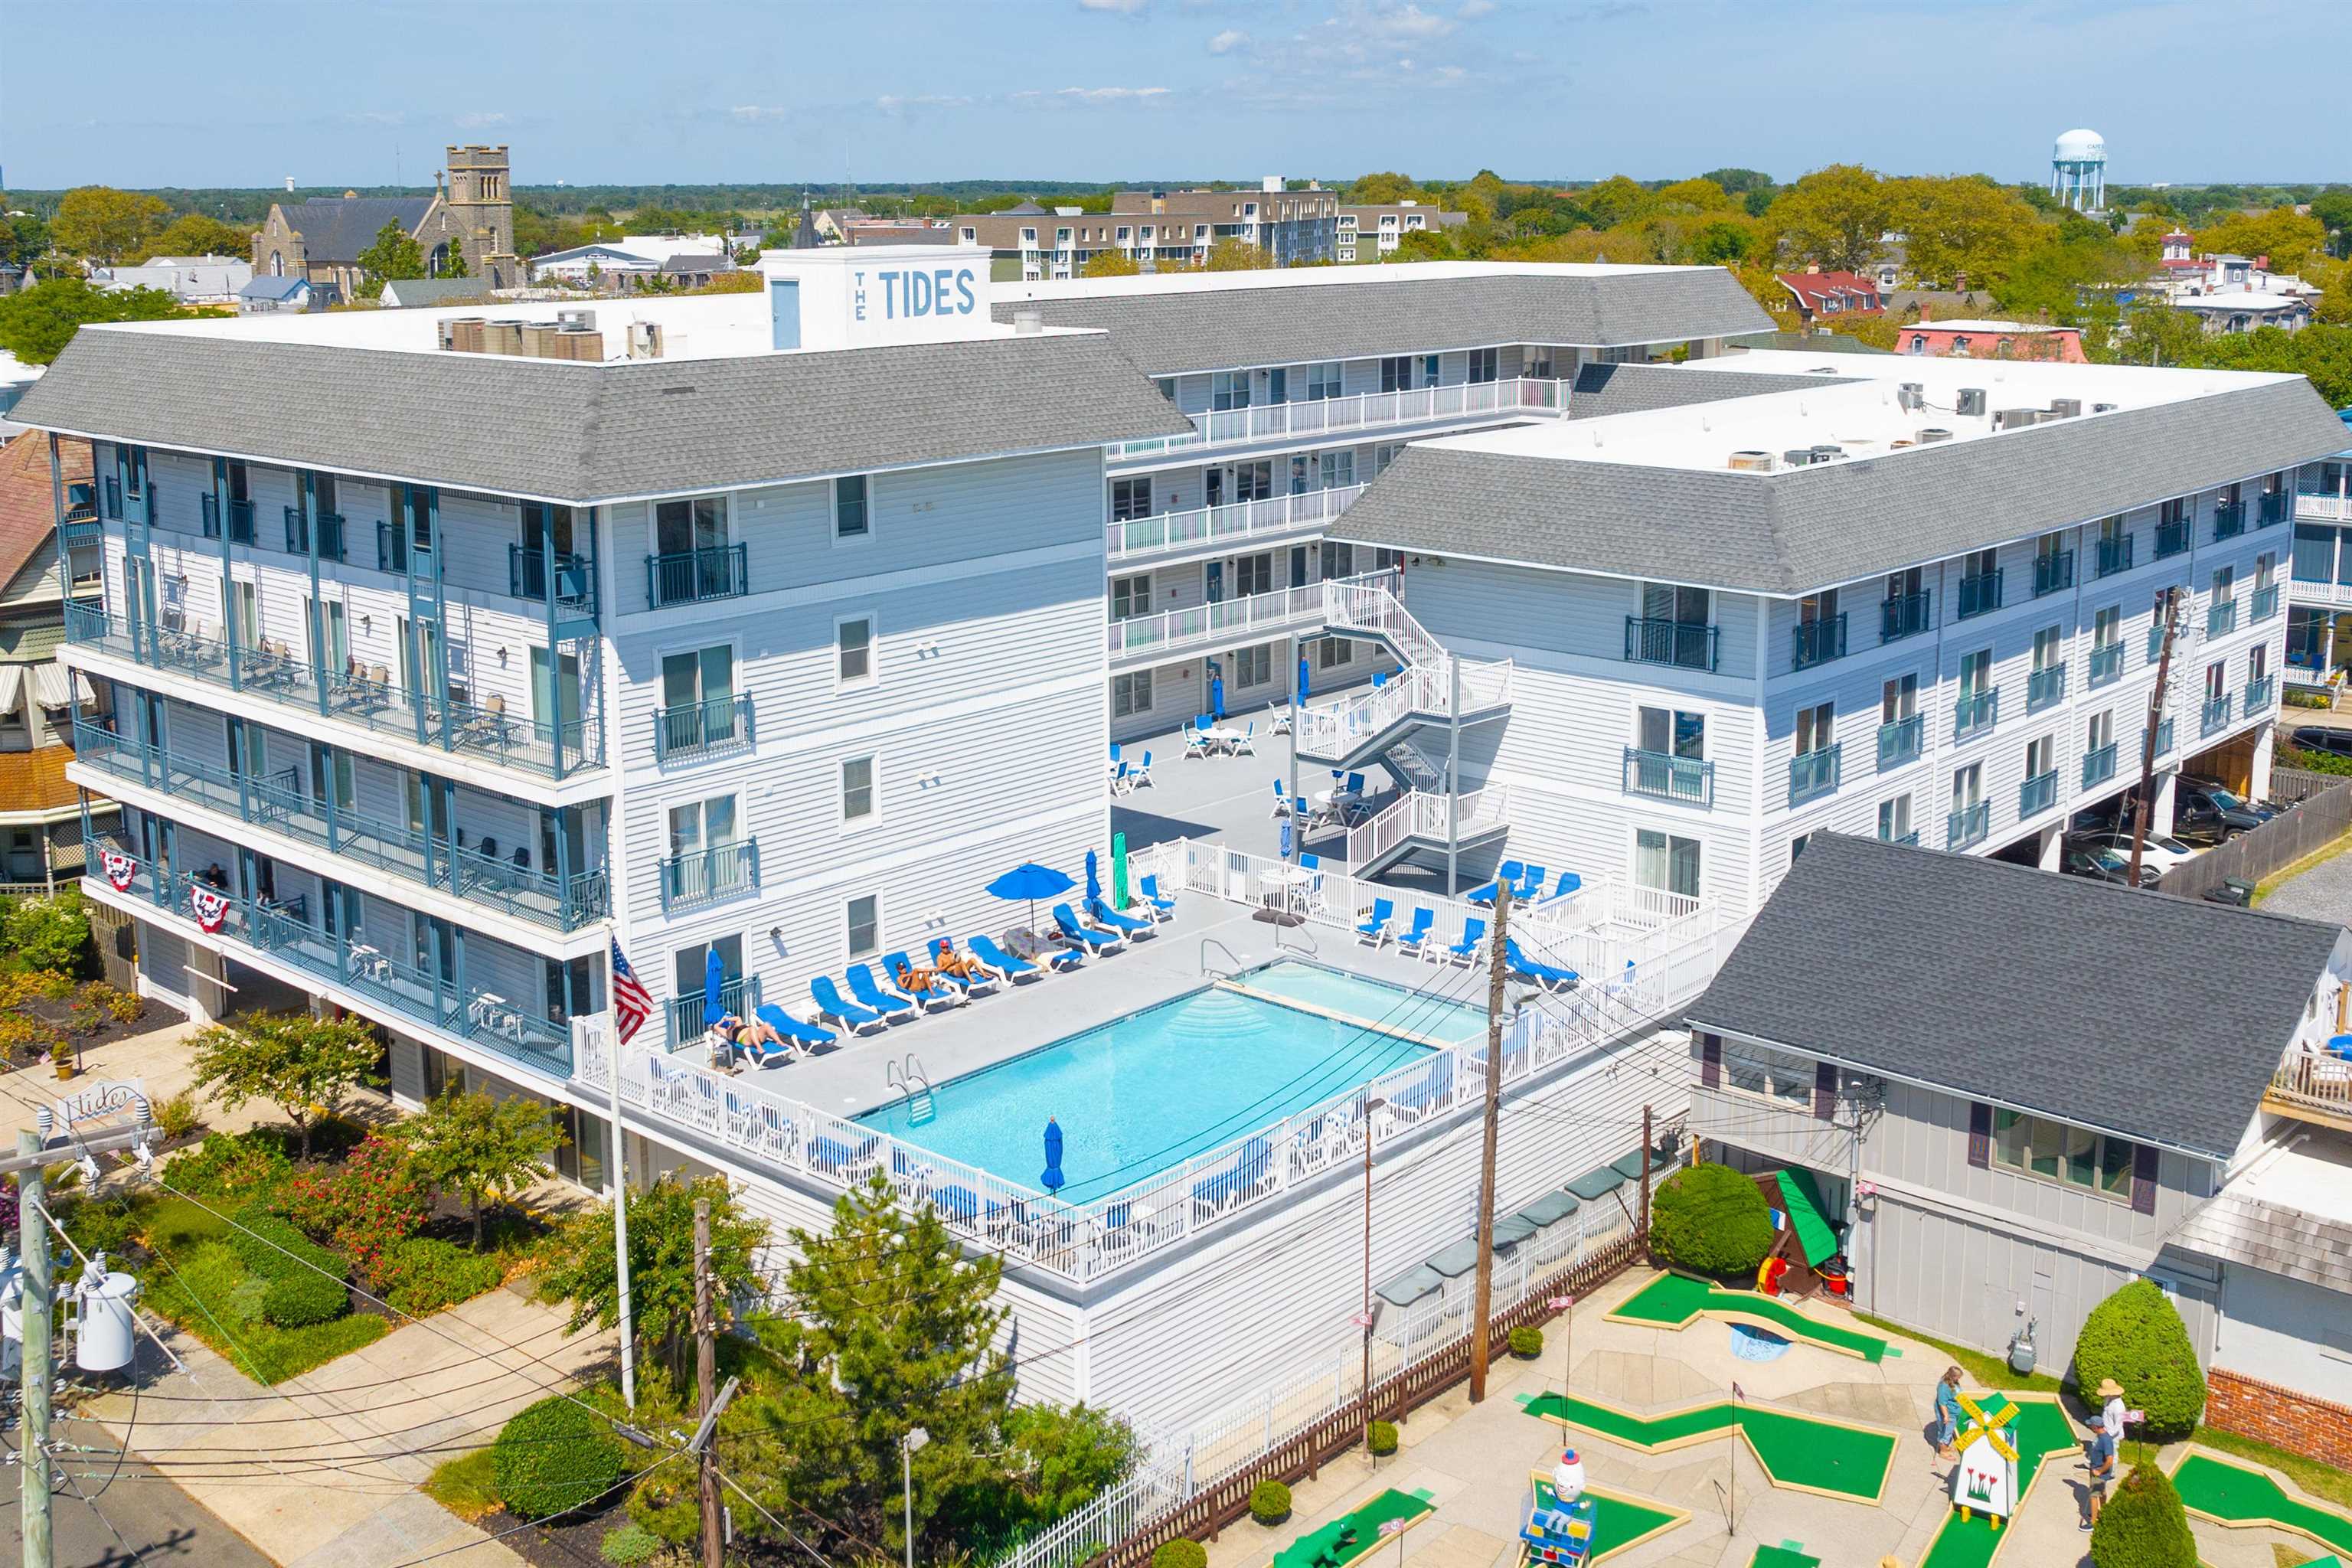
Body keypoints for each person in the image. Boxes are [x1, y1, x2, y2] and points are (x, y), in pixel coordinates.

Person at [2082, 1416, 2117, 1530]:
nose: (2090, 1427)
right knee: (2102, 1492)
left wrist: (2099, 1471)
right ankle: (2101, 1513)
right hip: (2095, 1469)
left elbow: (2110, 1460)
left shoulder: (2105, 1440)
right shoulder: (2100, 1436)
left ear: (2096, 1427)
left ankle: (2093, 1523)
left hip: (2099, 1472)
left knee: (2093, 1495)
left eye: (2091, 1425)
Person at [1932, 1365, 1965, 1459]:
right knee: (1946, 1432)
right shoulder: (1944, 1387)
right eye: (1958, 1377)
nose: (1959, 1379)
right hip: (1949, 1413)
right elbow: (1942, 1403)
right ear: (1952, 1376)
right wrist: (1946, 1416)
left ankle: (1946, 1447)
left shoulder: (1954, 1382)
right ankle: (1943, 1452)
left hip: (1954, 1412)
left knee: (1949, 1431)